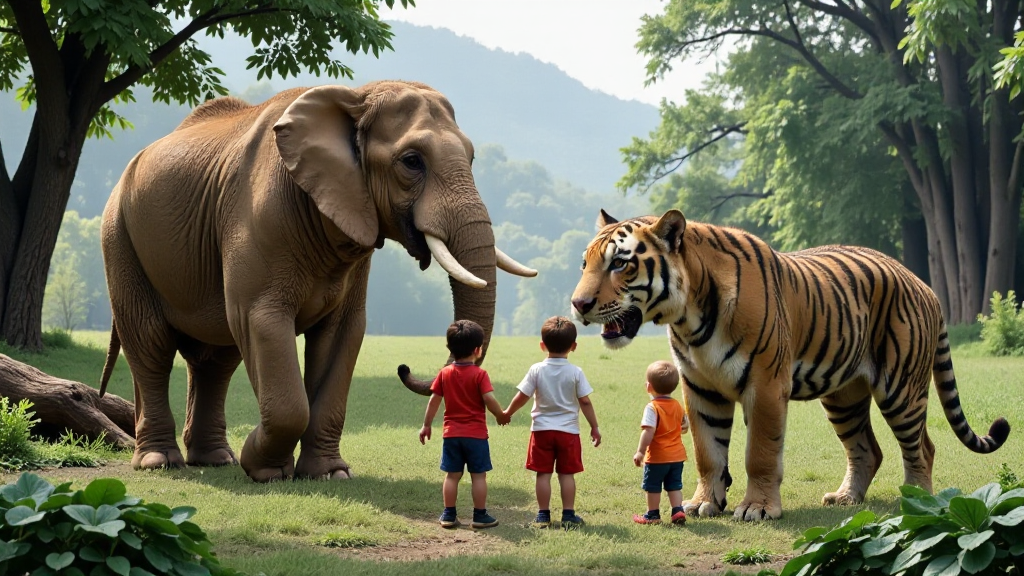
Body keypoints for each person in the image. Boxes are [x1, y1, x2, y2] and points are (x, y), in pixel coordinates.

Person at [504, 316, 600, 530]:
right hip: (568, 432)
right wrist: (594, 426)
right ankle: (568, 514)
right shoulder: (576, 372)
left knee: (543, 474)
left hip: (541, 431)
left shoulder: (536, 369)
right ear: (573, 346)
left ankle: (542, 515)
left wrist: (508, 412)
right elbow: (584, 401)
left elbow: (523, 396)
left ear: (542, 345)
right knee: (566, 474)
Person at [419, 319, 510, 529]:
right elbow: (489, 399)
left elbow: (434, 400)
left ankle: (448, 515)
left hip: (451, 434)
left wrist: (426, 425)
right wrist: (500, 415)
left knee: (452, 476)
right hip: (476, 435)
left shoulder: (444, 373)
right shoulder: (480, 375)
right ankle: (480, 516)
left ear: (449, 348)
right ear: (478, 350)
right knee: (479, 476)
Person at [632, 360, 689, 525]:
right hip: (677, 457)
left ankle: (652, 515)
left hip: (657, 457)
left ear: (648, 387)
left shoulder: (652, 407)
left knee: (653, 486)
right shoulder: (677, 405)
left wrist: (640, 451)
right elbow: (683, 424)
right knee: (674, 485)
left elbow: (648, 431)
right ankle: (678, 510)